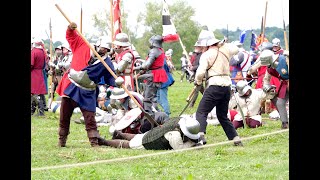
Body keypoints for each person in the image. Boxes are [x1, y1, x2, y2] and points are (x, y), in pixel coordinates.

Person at [55, 22, 118, 147]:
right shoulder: (83, 45)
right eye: (103, 47)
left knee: (90, 118)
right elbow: (71, 37)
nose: (104, 50)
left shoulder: (107, 62)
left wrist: (117, 82)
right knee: (64, 115)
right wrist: (70, 29)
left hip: (88, 91)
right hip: (72, 86)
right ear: (98, 45)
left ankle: (94, 142)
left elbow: (110, 77)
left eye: (107, 49)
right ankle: (62, 140)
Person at [193, 29, 242, 146]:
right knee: (222, 116)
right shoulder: (225, 49)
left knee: (201, 112)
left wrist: (197, 81)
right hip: (226, 87)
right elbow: (236, 48)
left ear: (206, 44)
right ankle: (236, 139)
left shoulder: (206, 54)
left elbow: (200, 73)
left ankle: (200, 138)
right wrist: (223, 43)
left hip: (214, 86)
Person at [97, 116, 201, 150]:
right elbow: (180, 149)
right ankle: (105, 142)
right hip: (151, 140)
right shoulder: (175, 136)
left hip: (156, 131)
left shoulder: (178, 120)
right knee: (131, 144)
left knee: (138, 136)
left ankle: (120, 134)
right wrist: (194, 144)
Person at [134, 35, 168, 118]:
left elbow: (146, 65)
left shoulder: (154, 51)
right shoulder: (159, 50)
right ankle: (155, 114)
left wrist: (134, 68)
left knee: (148, 98)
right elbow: (149, 66)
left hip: (154, 75)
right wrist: (140, 73)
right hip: (156, 73)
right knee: (152, 97)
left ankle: (150, 116)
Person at [260, 49, 289, 129]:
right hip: (285, 85)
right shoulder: (270, 68)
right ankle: (285, 123)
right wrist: (267, 87)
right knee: (280, 103)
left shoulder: (285, 59)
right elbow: (266, 80)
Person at [31, 37, 48, 116]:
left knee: (35, 92)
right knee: (39, 93)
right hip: (40, 72)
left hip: (34, 73)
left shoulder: (34, 52)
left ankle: (38, 111)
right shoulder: (42, 52)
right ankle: (37, 110)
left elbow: (31, 64)